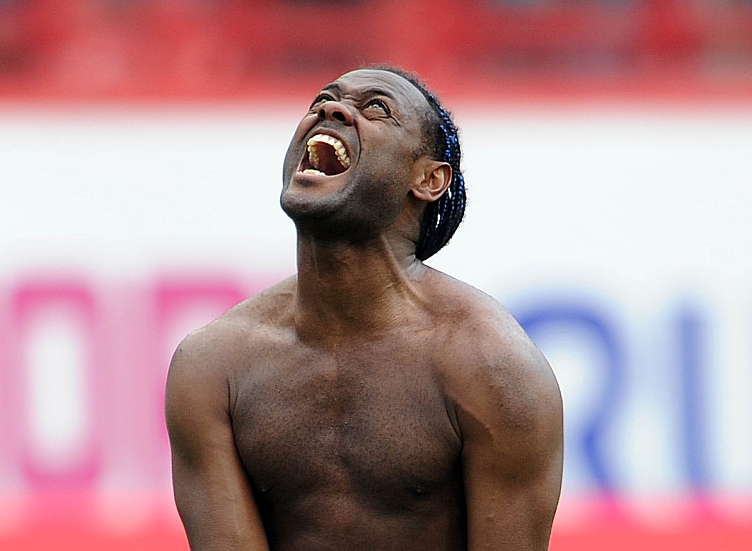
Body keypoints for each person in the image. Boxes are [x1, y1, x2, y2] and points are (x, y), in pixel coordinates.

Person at [165, 66, 563, 551]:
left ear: (429, 179)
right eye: (322, 101)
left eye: (376, 108)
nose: (331, 111)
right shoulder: (212, 365)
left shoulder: (493, 366)